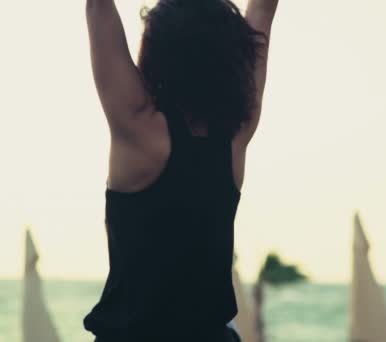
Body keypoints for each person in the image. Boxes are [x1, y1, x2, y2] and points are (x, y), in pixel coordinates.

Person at [82, 0, 279, 340]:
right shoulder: (235, 136)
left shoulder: (138, 127)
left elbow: (99, 8)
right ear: (233, 55)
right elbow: (262, 10)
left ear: (157, 52)